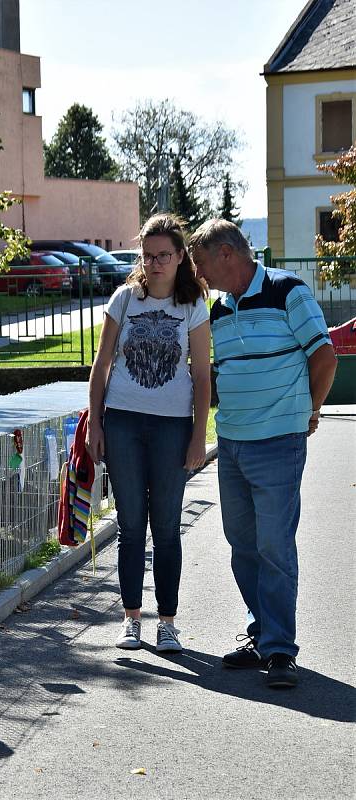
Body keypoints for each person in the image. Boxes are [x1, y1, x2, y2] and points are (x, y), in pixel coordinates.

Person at [189, 219, 337, 688]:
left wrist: (310, 411)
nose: (199, 274)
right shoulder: (219, 310)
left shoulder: (288, 290)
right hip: (232, 443)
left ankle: (279, 649)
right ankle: (263, 631)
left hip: (278, 441)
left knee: (274, 546)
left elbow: (324, 356)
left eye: (202, 263)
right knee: (242, 543)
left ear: (228, 254)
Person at [85, 213, 211, 653]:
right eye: (148, 255)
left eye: (164, 255)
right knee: (130, 525)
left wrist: (198, 435)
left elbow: (201, 375)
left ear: (179, 257)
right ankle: (132, 619)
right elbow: (101, 367)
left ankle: (168, 623)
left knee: (167, 527)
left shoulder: (192, 305)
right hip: (122, 422)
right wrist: (95, 423)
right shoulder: (124, 299)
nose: (155, 262)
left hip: (172, 427)